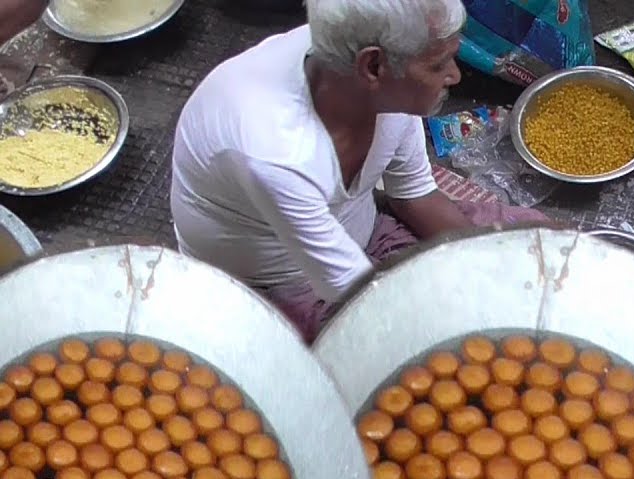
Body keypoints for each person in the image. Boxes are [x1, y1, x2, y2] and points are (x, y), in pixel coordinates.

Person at [170, 0, 546, 342]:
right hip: (280, 282)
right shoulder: (274, 151)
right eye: (437, 65)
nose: (455, 76)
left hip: (361, 231)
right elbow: (359, 300)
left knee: (538, 248)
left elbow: (414, 195)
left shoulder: (368, 74)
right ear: (373, 66)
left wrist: (491, 266)